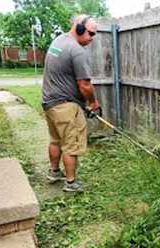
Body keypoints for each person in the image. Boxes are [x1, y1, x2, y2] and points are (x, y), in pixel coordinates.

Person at [42, 15, 101, 192]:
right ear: (79, 28)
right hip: (66, 106)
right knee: (71, 145)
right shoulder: (76, 51)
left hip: (49, 102)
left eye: (94, 34)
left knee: (55, 140)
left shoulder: (58, 41)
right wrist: (94, 103)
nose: (92, 38)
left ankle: (54, 172)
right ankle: (71, 182)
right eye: (90, 33)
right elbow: (85, 85)